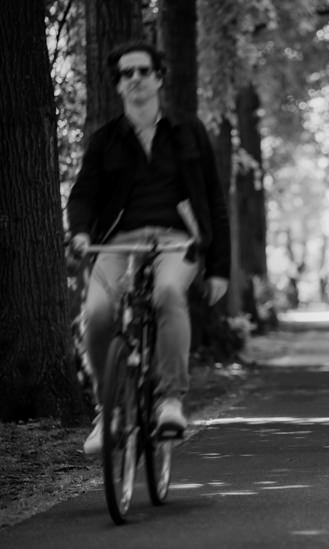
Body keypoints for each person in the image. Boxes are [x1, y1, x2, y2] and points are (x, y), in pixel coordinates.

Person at [68, 42, 230, 453]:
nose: (135, 79)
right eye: (126, 74)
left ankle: (171, 401)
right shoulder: (105, 141)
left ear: (159, 78)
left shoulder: (188, 131)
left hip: (178, 240)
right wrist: (82, 232)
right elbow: (83, 195)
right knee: (97, 314)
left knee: (167, 293)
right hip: (117, 243)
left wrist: (219, 270)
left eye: (143, 71)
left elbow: (213, 199)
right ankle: (110, 413)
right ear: (119, 86)